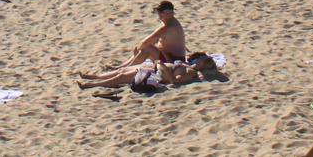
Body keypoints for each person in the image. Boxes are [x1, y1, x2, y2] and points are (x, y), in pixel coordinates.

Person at [76, 53, 220, 93]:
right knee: (121, 71)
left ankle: (89, 85)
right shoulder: (188, 66)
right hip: (153, 68)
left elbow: (173, 80)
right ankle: (92, 77)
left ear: (203, 65)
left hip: (153, 73)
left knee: (121, 77)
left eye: (201, 60)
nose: (198, 59)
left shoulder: (190, 73)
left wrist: (161, 65)